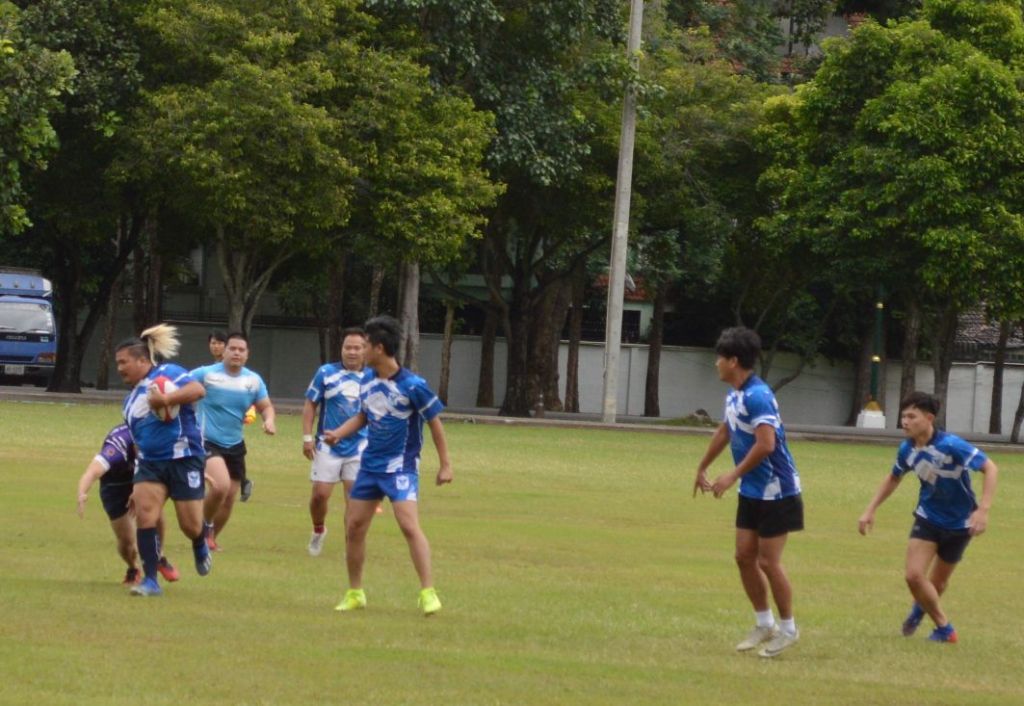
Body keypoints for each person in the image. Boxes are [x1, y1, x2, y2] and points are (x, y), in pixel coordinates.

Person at [324, 315, 453, 616]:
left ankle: (428, 593)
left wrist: (445, 464)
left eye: (365, 345)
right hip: (370, 467)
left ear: (379, 348)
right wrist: (339, 433)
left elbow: (435, 424)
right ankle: (355, 593)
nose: (360, 351)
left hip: (400, 468)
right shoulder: (367, 380)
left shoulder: (413, 386)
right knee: (354, 526)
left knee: (408, 525)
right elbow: (364, 416)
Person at [693, 326, 803, 658]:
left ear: (733, 361)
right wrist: (702, 466)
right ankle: (764, 623)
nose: (716, 363)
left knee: (768, 562)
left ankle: (788, 629)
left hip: (777, 490)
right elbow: (726, 430)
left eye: (719, 358)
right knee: (743, 557)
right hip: (753, 490)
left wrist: (731, 475)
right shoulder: (735, 394)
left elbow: (766, 444)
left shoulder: (758, 395)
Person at [858, 391, 998, 644]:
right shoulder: (907, 449)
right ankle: (945, 628)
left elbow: (990, 468)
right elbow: (894, 477)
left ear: (929, 418)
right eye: (903, 416)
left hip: (960, 524)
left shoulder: (951, 445)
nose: (905, 421)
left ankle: (918, 611)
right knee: (913, 576)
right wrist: (870, 509)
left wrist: (983, 510)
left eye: (912, 416)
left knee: (937, 583)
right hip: (928, 518)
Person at [116, 324, 211, 597]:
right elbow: (137, 442)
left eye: (124, 362)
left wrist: (165, 399)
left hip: (184, 458)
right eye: (117, 363)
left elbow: (198, 390)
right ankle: (150, 580)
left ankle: (199, 540)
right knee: (146, 515)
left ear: (142, 360)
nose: (120, 368)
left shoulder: (167, 373)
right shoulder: (129, 402)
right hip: (150, 465)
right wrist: (136, 480)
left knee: (190, 525)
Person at [192, 331, 275, 551]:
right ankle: (204, 527)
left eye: (241, 350)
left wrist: (269, 420)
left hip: (235, 444)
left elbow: (265, 406)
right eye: (232, 348)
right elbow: (179, 385)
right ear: (224, 351)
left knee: (229, 498)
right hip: (207, 441)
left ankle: (210, 538)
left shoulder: (253, 380)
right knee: (220, 486)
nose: (236, 353)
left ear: (247, 354)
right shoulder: (205, 374)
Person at [76, 423, 180, 585]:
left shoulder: (156, 439)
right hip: (114, 487)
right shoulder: (117, 446)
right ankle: (133, 567)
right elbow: (92, 472)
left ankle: (159, 556)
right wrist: (82, 493)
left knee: (155, 510)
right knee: (127, 543)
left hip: (140, 478)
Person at [303, 327, 370, 556]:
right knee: (320, 495)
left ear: (365, 350)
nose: (352, 352)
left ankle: (350, 545)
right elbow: (310, 404)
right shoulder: (326, 373)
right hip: (328, 445)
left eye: (357, 348)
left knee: (354, 500)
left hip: (360, 446)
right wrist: (307, 438)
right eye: (347, 347)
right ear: (341, 349)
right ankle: (318, 529)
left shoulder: (372, 377)